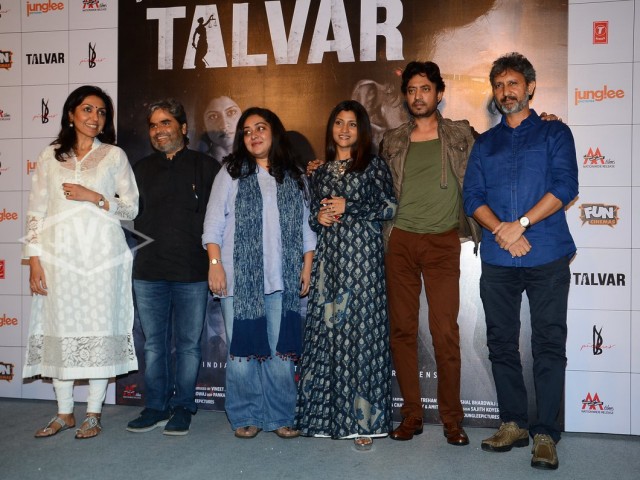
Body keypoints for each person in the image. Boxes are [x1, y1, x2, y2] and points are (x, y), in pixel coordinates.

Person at [463, 52, 577, 470]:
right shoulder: (484, 143)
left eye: (512, 83)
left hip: (546, 252)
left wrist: (522, 224)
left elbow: (565, 185)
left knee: (548, 343)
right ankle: (512, 423)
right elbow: (472, 197)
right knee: (500, 342)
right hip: (499, 256)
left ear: (530, 87)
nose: (505, 91)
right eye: (498, 85)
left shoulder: (554, 132)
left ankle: (545, 433)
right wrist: (502, 231)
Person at [23, 85, 139, 439]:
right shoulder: (50, 156)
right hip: (58, 258)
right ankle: (64, 412)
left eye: (101, 112)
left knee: (99, 328)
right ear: (71, 114)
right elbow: (36, 211)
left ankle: (92, 413)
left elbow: (131, 208)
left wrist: (95, 197)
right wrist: (35, 259)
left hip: (101, 258)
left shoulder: (114, 156)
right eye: (87, 109)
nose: (94, 117)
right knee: (59, 327)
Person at [379, 61, 481, 446]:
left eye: (425, 89)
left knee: (445, 332)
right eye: (411, 90)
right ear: (405, 96)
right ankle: (412, 415)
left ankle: (452, 419)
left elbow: (498, 151)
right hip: (400, 242)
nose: (418, 96)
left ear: (439, 93)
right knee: (402, 330)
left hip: (442, 242)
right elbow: (370, 179)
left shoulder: (461, 134)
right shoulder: (391, 140)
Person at [203, 107, 316, 439]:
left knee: (281, 355)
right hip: (239, 281)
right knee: (242, 354)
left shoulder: (294, 176)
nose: (253, 135)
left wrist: (307, 266)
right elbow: (213, 224)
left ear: (274, 132)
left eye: (260, 128)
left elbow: (307, 229)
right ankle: (246, 414)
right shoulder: (230, 173)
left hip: (283, 279)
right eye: (247, 131)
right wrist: (215, 266)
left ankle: (281, 415)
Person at [295, 100, 397, 450]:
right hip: (329, 266)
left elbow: (390, 206)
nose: (344, 129)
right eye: (338, 122)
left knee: (362, 341)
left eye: (352, 124)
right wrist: (318, 217)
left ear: (362, 130)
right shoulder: (320, 172)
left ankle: (363, 423)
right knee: (328, 340)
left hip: (363, 266)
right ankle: (324, 420)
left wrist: (348, 206)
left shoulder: (373, 166)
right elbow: (313, 214)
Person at [126, 99, 221, 436]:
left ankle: (183, 406)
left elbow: (219, 220)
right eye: (153, 125)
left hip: (192, 273)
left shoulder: (207, 167)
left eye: (165, 122)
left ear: (182, 127)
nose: (158, 130)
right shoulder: (139, 169)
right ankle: (156, 406)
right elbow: (126, 215)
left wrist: (215, 264)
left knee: (189, 345)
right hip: (148, 272)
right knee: (153, 345)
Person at [197, 96, 242, 162]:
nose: (224, 125)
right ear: (203, 125)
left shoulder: (254, 161)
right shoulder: (198, 164)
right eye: (213, 116)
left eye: (231, 112)